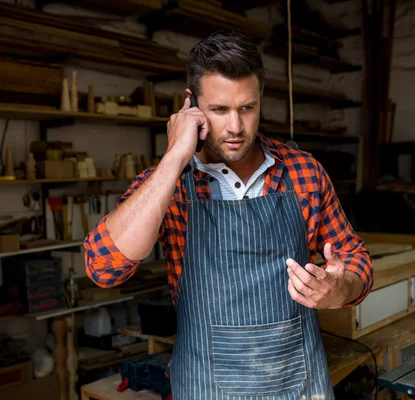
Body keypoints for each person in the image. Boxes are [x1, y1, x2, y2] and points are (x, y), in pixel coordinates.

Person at [85, 29, 373, 400]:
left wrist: (340, 289)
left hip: (299, 385)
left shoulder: (303, 172)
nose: (235, 127)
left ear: (260, 100)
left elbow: (357, 259)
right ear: (192, 106)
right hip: (204, 385)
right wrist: (175, 156)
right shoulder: (167, 186)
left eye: (247, 108)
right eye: (219, 110)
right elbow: (103, 268)